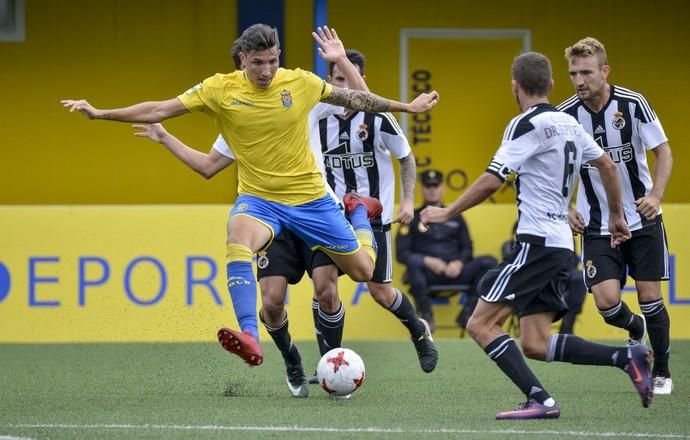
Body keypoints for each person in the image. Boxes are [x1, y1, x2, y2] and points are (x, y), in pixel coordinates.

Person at [61, 23, 440, 369]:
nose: (266, 71)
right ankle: (249, 335)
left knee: (363, 273)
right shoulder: (221, 91)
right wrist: (101, 114)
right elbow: (163, 109)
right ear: (243, 59)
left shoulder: (301, 84)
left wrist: (406, 107)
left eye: (273, 61)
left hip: (310, 199)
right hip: (260, 201)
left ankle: (360, 217)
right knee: (238, 238)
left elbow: (360, 100)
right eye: (258, 62)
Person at [421, 51, 653, 419]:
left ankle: (541, 400)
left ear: (515, 86)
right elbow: (607, 164)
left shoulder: (523, 124)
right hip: (561, 245)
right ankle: (626, 357)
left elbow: (492, 179)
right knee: (534, 342)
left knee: (480, 324)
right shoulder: (571, 124)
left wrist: (447, 211)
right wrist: (615, 214)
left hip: (536, 243)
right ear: (551, 85)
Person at [558, 37, 673, 395]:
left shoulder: (633, 104)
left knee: (650, 296)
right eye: (574, 73)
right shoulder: (564, 116)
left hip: (642, 218)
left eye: (587, 72)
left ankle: (662, 373)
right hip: (595, 224)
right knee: (607, 303)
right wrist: (567, 208)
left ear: (604, 71)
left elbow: (664, 153)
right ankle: (634, 328)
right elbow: (550, 170)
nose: (579, 80)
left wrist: (655, 195)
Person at [396, 169, 496, 331]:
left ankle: (468, 314)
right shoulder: (411, 217)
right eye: (428, 186)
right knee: (414, 264)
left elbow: (467, 248)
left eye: (436, 185)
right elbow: (402, 253)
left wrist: (459, 263)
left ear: (442, 188)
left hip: (455, 272)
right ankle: (426, 318)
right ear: (422, 188)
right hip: (428, 275)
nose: (432, 189)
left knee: (489, 262)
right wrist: (426, 261)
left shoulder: (456, 216)